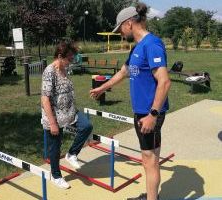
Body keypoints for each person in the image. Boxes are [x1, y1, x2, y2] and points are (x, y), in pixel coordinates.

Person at [90, 3, 171, 200]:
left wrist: (152, 114)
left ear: (129, 24)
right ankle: (152, 196)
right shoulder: (138, 48)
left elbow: (164, 81)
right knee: (150, 159)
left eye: (120, 29)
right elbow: (124, 71)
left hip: (149, 114)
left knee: (149, 160)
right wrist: (103, 87)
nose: (120, 33)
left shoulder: (151, 45)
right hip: (143, 113)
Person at [41, 40, 93, 189]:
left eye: (72, 58)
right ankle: (56, 176)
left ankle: (71, 154)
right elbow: (45, 99)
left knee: (86, 126)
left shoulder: (65, 69)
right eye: (69, 58)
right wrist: (52, 123)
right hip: (54, 117)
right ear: (60, 56)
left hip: (70, 113)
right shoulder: (49, 71)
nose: (71, 61)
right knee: (55, 149)